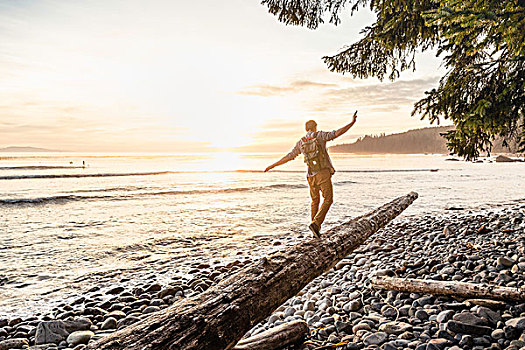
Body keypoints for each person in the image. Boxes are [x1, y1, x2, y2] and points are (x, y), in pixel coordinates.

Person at [264, 112, 358, 238]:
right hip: (323, 173)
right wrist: (352, 123)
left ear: (305, 129)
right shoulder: (320, 136)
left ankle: (315, 229)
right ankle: (316, 224)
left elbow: (289, 156)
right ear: (315, 127)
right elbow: (337, 133)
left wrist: (272, 165)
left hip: (310, 176)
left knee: (315, 201)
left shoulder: (301, 142)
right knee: (328, 199)